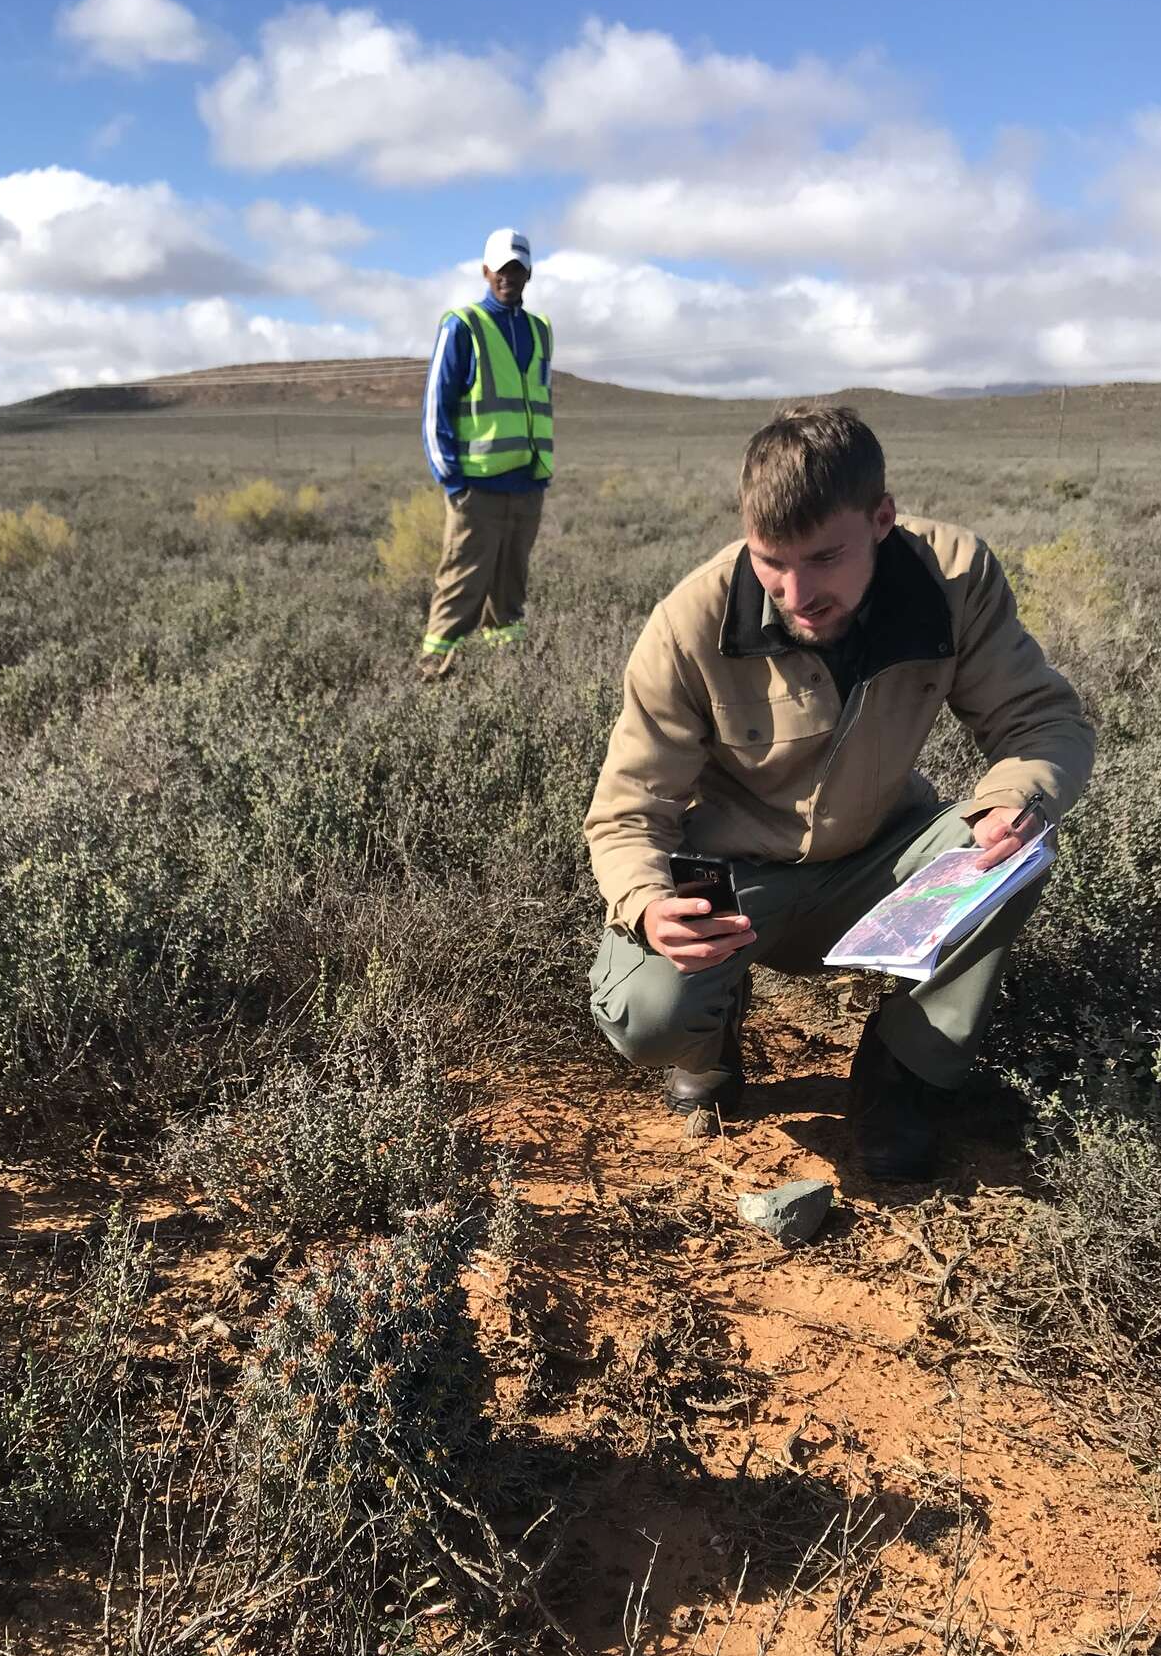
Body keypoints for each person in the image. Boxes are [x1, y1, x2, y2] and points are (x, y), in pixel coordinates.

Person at [584, 404, 1095, 1182]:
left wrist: (1016, 794)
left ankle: (900, 1076)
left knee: (1014, 852)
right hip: (735, 881)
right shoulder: (690, 623)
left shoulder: (951, 580)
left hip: (877, 860)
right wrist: (652, 907)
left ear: (882, 517)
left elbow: (1040, 718)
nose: (796, 593)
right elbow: (626, 813)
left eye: (825, 558)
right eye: (771, 562)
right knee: (651, 1017)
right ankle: (711, 1035)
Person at [418, 227, 553, 680]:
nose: (508, 277)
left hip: (526, 485)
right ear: (485, 271)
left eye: (516, 269)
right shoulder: (462, 324)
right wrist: (453, 481)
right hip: (477, 487)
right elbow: (435, 405)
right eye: (500, 268)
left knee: (510, 591)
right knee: (461, 584)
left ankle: (505, 675)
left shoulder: (540, 330)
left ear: (528, 273)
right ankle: (433, 673)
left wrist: (539, 476)